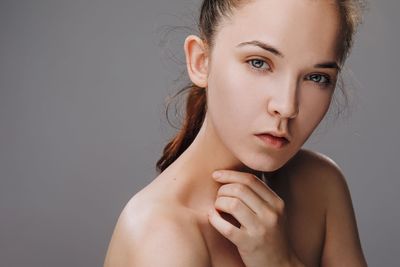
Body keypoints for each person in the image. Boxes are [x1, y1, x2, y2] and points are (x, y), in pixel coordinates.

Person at [104, 0, 368, 266]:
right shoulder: (160, 235)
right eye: (259, 63)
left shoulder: (321, 185)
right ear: (201, 62)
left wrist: (279, 261)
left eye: (317, 77)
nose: (286, 106)